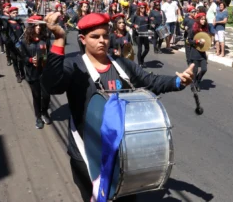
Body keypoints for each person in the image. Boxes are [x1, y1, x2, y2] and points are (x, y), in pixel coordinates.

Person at [41, 12, 194, 202]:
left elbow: (151, 81)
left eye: (105, 35)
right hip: (88, 154)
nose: (102, 41)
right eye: (95, 36)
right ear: (82, 39)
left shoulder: (122, 65)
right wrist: (59, 39)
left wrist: (178, 81)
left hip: (123, 153)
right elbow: (52, 84)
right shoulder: (74, 65)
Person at [20, 15, 51, 129]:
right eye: (35, 25)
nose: (38, 28)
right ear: (31, 27)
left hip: (45, 72)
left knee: (47, 96)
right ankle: (38, 117)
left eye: (39, 25)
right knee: (37, 96)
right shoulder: (24, 41)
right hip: (32, 73)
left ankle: (44, 112)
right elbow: (22, 57)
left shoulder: (45, 39)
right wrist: (29, 60)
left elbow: (50, 54)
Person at [187, 13, 208, 92]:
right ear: (198, 20)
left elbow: (207, 40)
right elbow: (189, 40)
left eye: (204, 19)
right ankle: (193, 84)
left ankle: (197, 82)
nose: (203, 21)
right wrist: (197, 41)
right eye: (202, 19)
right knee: (195, 71)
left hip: (202, 53)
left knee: (204, 69)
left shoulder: (205, 29)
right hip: (195, 53)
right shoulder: (193, 29)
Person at [5, 6, 25, 83]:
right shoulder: (8, 23)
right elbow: (11, 35)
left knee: (21, 60)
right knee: (15, 60)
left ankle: (22, 72)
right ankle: (17, 75)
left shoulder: (19, 22)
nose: (15, 14)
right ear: (10, 14)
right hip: (13, 45)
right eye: (13, 13)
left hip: (20, 44)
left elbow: (23, 32)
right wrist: (17, 43)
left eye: (16, 13)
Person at [131, 2, 150, 67]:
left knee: (147, 49)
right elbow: (130, 23)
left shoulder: (147, 16)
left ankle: (141, 58)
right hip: (138, 34)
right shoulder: (136, 15)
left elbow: (149, 25)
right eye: (142, 7)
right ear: (139, 8)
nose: (143, 9)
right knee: (140, 49)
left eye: (144, 7)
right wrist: (134, 25)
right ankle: (139, 63)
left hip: (145, 34)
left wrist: (152, 25)